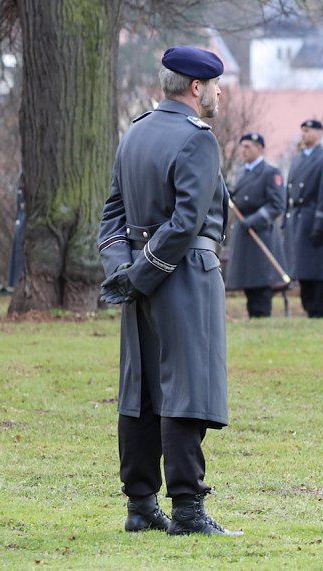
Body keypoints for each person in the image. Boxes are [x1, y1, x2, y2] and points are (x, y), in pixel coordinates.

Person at [97, 45, 241, 536]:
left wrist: (124, 272)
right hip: (184, 275)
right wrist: (144, 273)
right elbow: (185, 223)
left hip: (139, 280)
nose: (219, 92)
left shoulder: (133, 133)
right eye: (216, 85)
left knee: (140, 391)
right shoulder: (197, 139)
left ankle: (140, 505)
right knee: (186, 387)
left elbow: (112, 217)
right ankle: (187, 510)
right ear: (196, 87)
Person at [224, 132, 286, 318]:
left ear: (259, 148)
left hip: (260, 231)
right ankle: (253, 313)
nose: (243, 150)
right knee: (249, 280)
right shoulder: (242, 172)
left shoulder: (270, 173)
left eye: (247, 146)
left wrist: (254, 220)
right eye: (242, 146)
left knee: (261, 280)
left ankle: (262, 314)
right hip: (244, 232)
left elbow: (276, 204)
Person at [285, 119, 323, 318]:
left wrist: (321, 223)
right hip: (298, 217)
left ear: (319, 133)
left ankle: (320, 307)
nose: (304, 134)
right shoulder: (298, 159)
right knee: (302, 268)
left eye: (307, 131)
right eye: (302, 130)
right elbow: (289, 190)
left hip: (313, 216)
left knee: (316, 267)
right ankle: (309, 306)